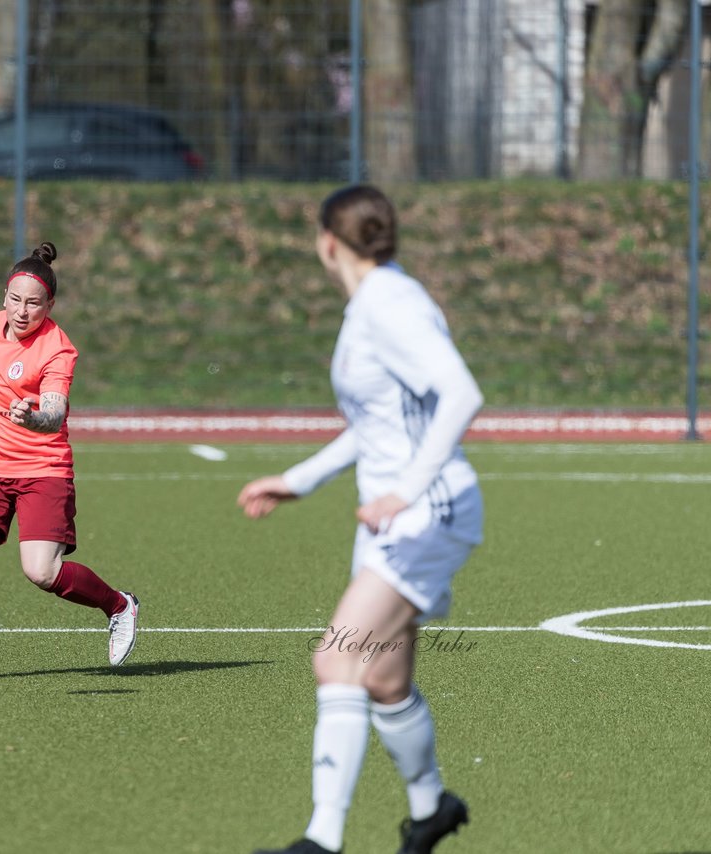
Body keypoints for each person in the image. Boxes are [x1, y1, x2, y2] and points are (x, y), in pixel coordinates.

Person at [238, 185, 483, 854]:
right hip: (397, 517)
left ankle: (322, 840)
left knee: (336, 661)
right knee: (382, 679)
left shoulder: (386, 305)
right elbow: (377, 423)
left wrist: (405, 490)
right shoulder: (381, 300)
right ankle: (431, 807)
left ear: (327, 242)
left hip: (423, 515)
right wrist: (299, 481)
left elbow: (462, 394)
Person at [0, 241, 140, 681]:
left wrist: (33, 417)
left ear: (50, 305)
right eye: (15, 300)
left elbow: (55, 413)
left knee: (41, 571)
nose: (22, 311)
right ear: (3, 298)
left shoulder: (58, 350)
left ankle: (119, 605)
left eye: (34, 303)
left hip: (43, 468)